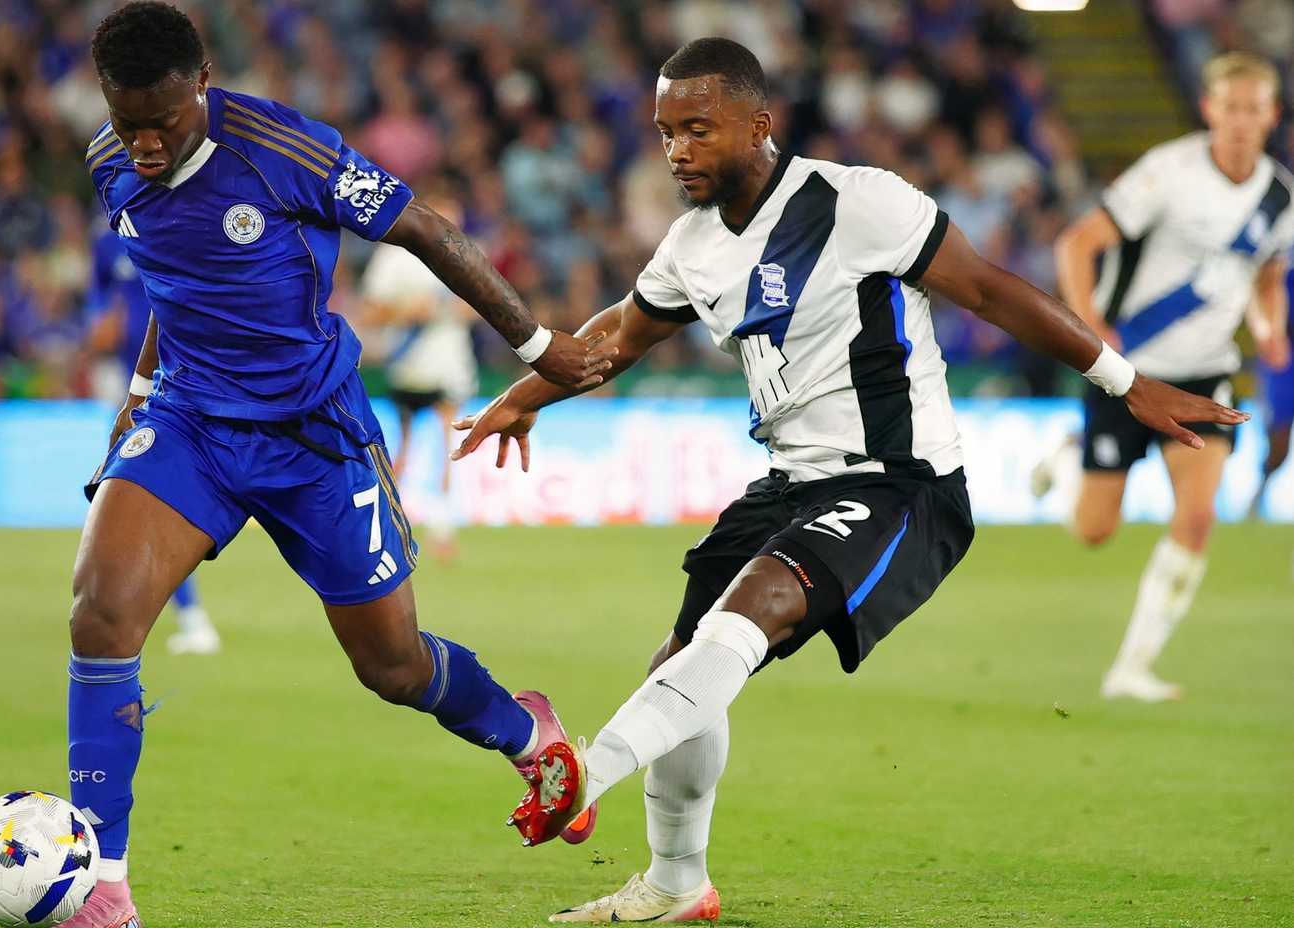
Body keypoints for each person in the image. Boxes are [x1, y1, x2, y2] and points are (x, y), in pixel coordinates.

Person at [451, 38, 1244, 923]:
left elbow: (987, 290)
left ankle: (581, 773)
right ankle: (677, 886)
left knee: (741, 620)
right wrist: (525, 396)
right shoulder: (690, 245)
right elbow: (617, 340)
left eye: (698, 129)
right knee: (681, 666)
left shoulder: (855, 201)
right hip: (791, 482)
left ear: (759, 125)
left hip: (900, 482)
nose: (677, 149)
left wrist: (1126, 383)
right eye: (666, 131)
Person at [64, 5, 611, 926]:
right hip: (193, 422)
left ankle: (526, 731)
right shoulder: (109, 162)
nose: (146, 144)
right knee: (100, 615)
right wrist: (142, 383)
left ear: (202, 81)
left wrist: (538, 341)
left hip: (314, 436)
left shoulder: (286, 151)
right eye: (128, 122)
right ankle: (102, 885)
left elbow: (427, 230)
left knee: (392, 666)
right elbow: (174, 278)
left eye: (163, 120)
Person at [1053, 52, 1291, 702]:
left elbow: (1267, 273)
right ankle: (1074, 452)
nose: (1241, 120)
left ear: (1271, 115)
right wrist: (1091, 325)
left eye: (1254, 108)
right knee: (1094, 530)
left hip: (1205, 374)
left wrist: (1270, 328)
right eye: (1230, 106)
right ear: (1211, 109)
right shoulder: (1168, 172)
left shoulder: (1279, 197)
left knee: (1198, 517)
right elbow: (1077, 244)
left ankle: (1132, 666)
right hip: (1129, 374)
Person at [87, 223, 221, 655]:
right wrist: (99, 321)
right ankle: (185, 615)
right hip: (134, 389)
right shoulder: (108, 242)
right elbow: (99, 297)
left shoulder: (179, 225)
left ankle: (189, 617)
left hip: (178, 390)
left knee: (160, 503)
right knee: (144, 503)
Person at [361, 192, 479, 560]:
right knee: (404, 449)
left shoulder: (463, 255)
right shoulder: (394, 258)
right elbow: (372, 312)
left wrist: (452, 312)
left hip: (448, 365)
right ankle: (388, 525)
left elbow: (481, 308)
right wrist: (410, 313)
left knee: (449, 447)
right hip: (409, 365)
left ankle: (442, 531)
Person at [1249, 256, 1294, 518]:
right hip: (1284, 355)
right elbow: (1261, 286)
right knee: (1278, 442)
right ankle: (1258, 496)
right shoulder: (1282, 243)